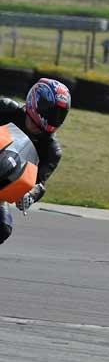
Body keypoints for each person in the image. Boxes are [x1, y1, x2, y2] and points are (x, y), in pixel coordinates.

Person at [0, 79, 70, 245]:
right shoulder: (5, 108)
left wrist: (28, 195)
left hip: (1, 186)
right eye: (52, 112)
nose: (55, 118)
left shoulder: (51, 151)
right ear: (37, 102)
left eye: (60, 114)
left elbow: (38, 183)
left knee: (3, 227)